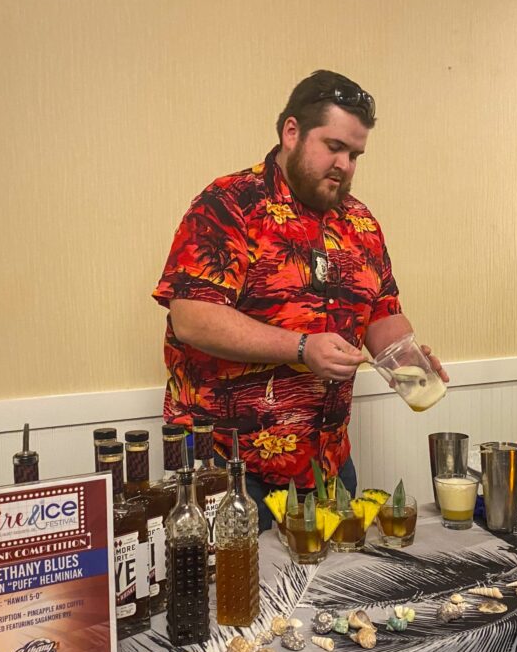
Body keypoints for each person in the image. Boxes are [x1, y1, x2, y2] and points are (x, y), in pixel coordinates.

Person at [153, 70, 448, 531]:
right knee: (239, 603)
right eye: (334, 147)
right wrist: (301, 347)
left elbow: (382, 312)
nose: (345, 165)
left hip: (330, 468)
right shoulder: (228, 204)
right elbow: (193, 317)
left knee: (329, 599)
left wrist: (407, 356)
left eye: (355, 154)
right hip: (229, 472)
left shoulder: (361, 223)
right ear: (292, 131)